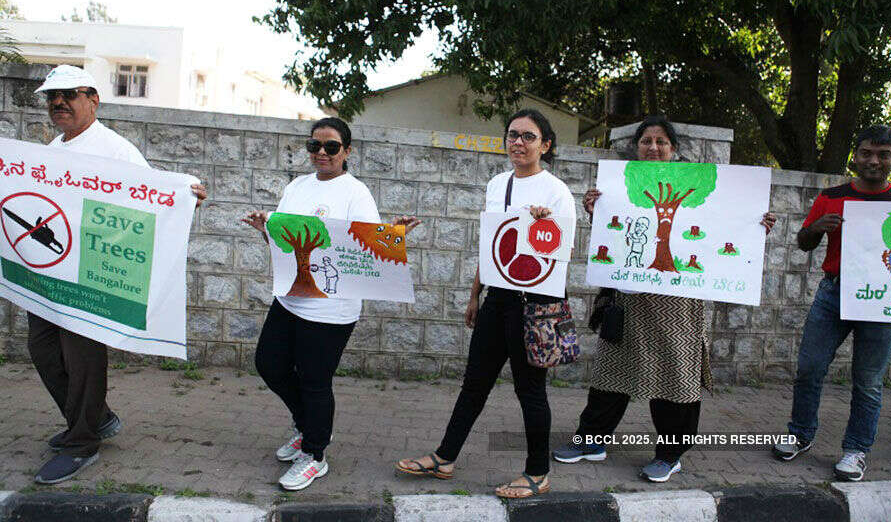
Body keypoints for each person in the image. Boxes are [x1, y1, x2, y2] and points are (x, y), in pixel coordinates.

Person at [552, 116, 776, 482]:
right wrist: (598, 211)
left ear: (673, 150)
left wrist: (753, 224)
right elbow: (615, 237)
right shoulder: (620, 187)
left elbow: (725, 227)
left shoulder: (698, 190)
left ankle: (670, 454)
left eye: (661, 142)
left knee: (676, 374)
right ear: (636, 146)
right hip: (628, 300)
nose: (653, 147)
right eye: (646, 140)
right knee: (611, 371)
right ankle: (591, 440)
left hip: (678, 306)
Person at [28, 65, 206, 484]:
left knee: (82, 356)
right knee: (42, 348)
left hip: (91, 271)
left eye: (69, 94)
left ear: (93, 99)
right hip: (53, 270)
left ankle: (81, 442)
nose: (58, 103)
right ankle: (96, 418)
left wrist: (185, 199)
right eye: (51, 97)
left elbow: (151, 193)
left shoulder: (114, 149)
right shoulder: (54, 146)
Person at [396, 109, 577, 498]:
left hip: (535, 304)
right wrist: (476, 293)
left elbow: (564, 250)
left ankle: (537, 473)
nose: (518, 142)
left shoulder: (556, 191)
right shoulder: (499, 185)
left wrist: (544, 224)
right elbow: (492, 246)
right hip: (498, 298)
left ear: (545, 144)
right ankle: (445, 457)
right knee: (473, 384)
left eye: (528, 136)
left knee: (530, 390)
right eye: (512, 135)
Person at [243, 117, 418, 491]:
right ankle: (309, 428)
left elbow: (366, 249)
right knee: (268, 364)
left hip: (330, 308)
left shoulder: (356, 193)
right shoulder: (296, 187)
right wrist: (266, 231)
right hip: (292, 298)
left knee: (314, 380)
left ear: (347, 151)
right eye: (314, 146)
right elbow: (283, 245)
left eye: (331, 147)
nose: (321, 153)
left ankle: (315, 455)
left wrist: (393, 236)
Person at [772, 125, 891, 481]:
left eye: (883, 155)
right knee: (810, 367)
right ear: (855, 156)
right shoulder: (831, 196)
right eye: (867, 154)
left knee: (869, 380)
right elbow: (802, 243)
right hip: (834, 292)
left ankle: (856, 449)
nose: (874, 161)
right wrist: (816, 229)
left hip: (882, 298)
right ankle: (800, 433)